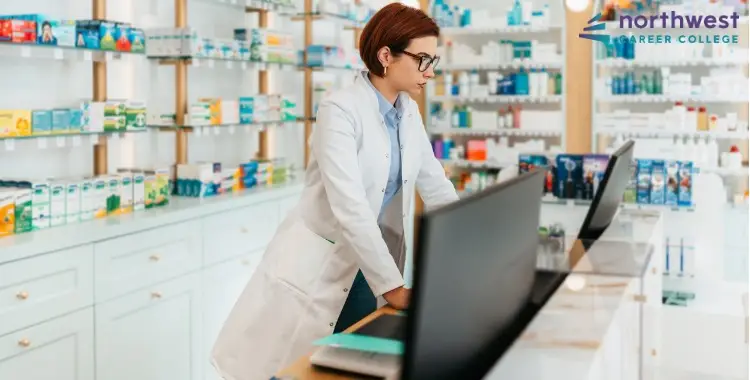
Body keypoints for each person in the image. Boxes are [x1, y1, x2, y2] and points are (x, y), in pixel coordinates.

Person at [211, 3, 458, 380]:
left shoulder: (407, 112)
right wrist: (393, 288)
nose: (430, 71)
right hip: (322, 266)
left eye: (433, 60)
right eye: (423, 59)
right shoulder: (339, 109)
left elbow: (436, 185)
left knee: (349, 368)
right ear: (386, 56)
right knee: (294, 367)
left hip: (371, 263)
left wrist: (474, 242)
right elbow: (352, 208)